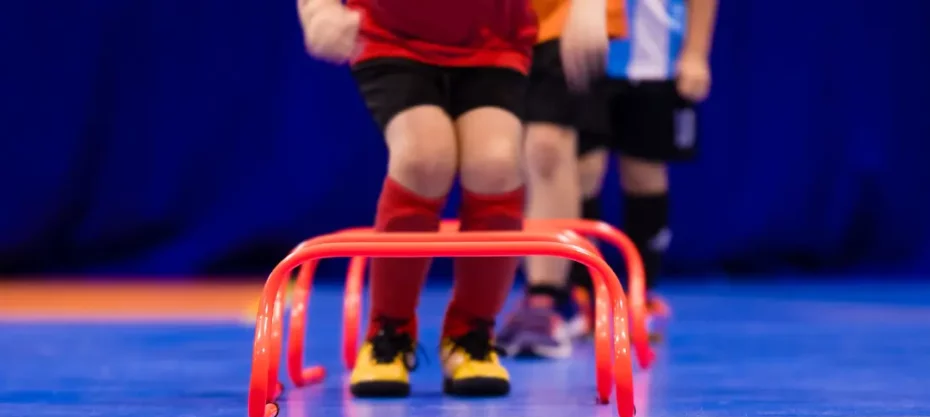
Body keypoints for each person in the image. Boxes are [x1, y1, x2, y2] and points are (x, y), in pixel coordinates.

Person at [298, 0, 610, 396]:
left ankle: (471, 336)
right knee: (423, 158)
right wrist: (318, 9)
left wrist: (588, 7)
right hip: (393, 39)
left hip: (493, 40)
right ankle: (388, 334)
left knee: (496, 165)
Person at [499, 0, 717, 357]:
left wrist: (695, 52)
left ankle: (639, 296)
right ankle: (579, 293)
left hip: (655, 57)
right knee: (581, 170)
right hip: (582, 48)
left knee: (644, 172)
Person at [496, 0, 627, 359]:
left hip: (566, 13)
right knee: (517, 156)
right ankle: (572, 287)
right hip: (491, 19)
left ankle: (546, 297)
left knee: (547, 147)